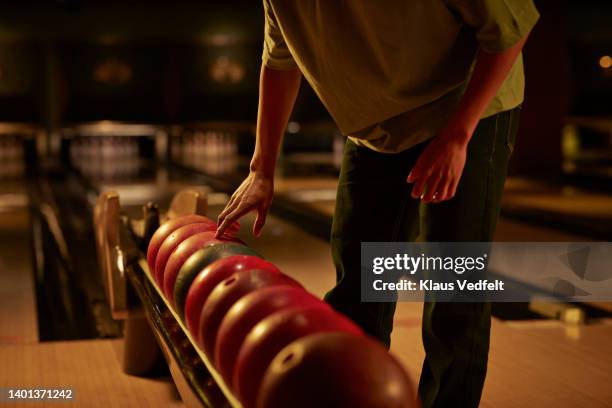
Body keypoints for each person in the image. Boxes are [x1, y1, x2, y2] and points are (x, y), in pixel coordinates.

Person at [216, 1, 539, 406]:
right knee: (359, 287)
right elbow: (279, 60)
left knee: (454, 290)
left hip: (466, 108)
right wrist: (261, 168)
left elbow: (512, 30)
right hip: (375, 127)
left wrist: (459, 135)